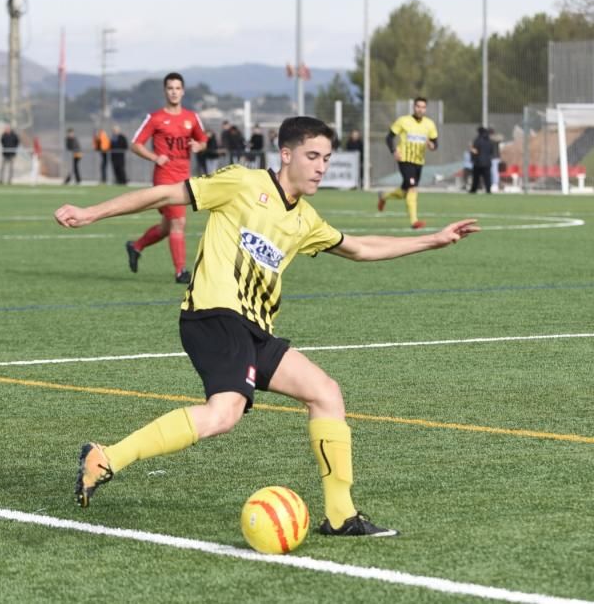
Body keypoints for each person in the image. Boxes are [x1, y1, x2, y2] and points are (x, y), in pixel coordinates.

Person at [55, 115, 479, 536]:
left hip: (254, 328)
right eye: (312, 156)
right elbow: (166, 192)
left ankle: (340, 515)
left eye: (327, 158)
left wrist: (433, 240)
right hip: (214, 314)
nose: (321, 167)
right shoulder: (242, 182)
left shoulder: (306, 219)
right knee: (224, 413)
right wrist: (91, 213)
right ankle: (106, 457)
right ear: (286, 154)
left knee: (325, 393)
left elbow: (362, 248)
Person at [128, 72, 206, 283]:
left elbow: (203, 139)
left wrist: (199, 146)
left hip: (184, 178)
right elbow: (135, 144)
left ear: (183, 91)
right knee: (179, 223)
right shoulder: (155, 118)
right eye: (170, 88)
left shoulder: (191, 118)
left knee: (167, 227)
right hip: (164, 177)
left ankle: (136, 246)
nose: (174, 92)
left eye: (177, 88)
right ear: (165, 91)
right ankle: (181, 272)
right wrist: (154, 157)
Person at [377, 97, 438, 229]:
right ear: (414, 107)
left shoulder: (429, 124)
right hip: (405, 159)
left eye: (423, 107)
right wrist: (394, 151)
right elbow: (389, 137)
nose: (420, 109)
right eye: (418, 106)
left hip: (419, 161)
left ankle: (383, 195)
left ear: (425, 109)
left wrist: (431, 145)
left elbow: (435, 144)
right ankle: (414, 221)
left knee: (405, 192)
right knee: (413, 188)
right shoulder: (403, 121)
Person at [469, 127, 493, 194]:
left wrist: (472, 156)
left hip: (478, 162)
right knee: (487, 178)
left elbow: (475, 151)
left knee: (476, 178)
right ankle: (488, 190)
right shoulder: (489, 141)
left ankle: (473, 190)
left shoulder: (477, 140)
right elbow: (491, 151)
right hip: (487, 162)